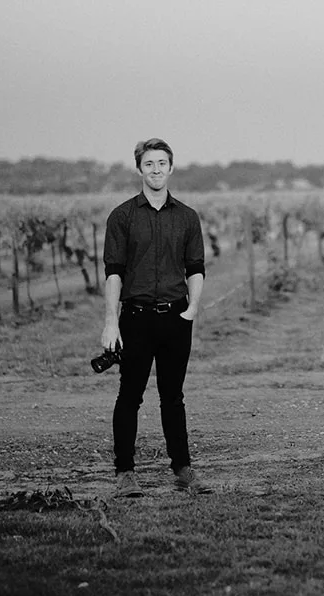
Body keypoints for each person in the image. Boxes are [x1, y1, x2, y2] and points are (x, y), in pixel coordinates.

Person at [101, 138, 208, 497]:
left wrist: (193, 308)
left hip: (176, 318)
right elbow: (113, 272)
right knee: (129, 396)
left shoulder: (187, 217)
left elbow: (195, 267)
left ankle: (182, 468)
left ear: (171, 168)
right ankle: (125, 472)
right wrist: (110, 321)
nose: (156, 170)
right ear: (139, 169)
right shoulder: (122, 216)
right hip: (136, 319)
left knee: (172, 396)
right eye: (149, 164)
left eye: (162, 163)